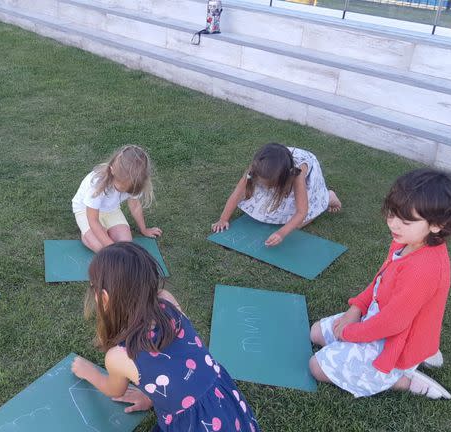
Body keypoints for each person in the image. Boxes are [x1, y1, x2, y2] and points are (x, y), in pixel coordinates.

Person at [309, 168, 451, 399]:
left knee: (316, 367)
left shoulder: (425, 269)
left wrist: (351, 333)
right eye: (392, 214)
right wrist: (355, 309)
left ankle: (401, 379)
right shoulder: (406, 241)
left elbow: (392, 324)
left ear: (437, 225)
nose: (394, 224)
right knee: (316, 333)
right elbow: (379, 281)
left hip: (395, 343)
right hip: (377, 319)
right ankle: (420, 354)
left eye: (406, 220)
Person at [71, 242, 259, 431]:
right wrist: (153, 397)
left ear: (104, 297)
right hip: (222, 403)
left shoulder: (120, 356)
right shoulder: (167, 300)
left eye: (92, 286)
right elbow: (179, 361)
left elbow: (114, 390)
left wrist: (88, 372)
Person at [212, 143, 340, 246]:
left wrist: (281, 234)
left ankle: (328, 197)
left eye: (271, 187)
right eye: (262, 185)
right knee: (271, 209)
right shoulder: (257, 168)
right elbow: (237, 193)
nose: (266, 189)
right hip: (278, 164)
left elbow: (302, 212)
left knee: (298, 224)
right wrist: (223, 219)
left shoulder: (297, 176)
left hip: (301, 168)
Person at [71, 145, 161, 252]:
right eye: (120, 188)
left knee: (126, 244)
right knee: (102, 248)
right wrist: (112, 247)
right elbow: (93, 220)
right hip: (85, 211)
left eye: (127, 190)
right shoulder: (96, 183)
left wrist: (144, 229)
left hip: (111, 210)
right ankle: (86, 235)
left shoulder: (136, 181)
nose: (123, 192)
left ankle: (99, 233)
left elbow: (135, 205)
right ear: (112, 170)